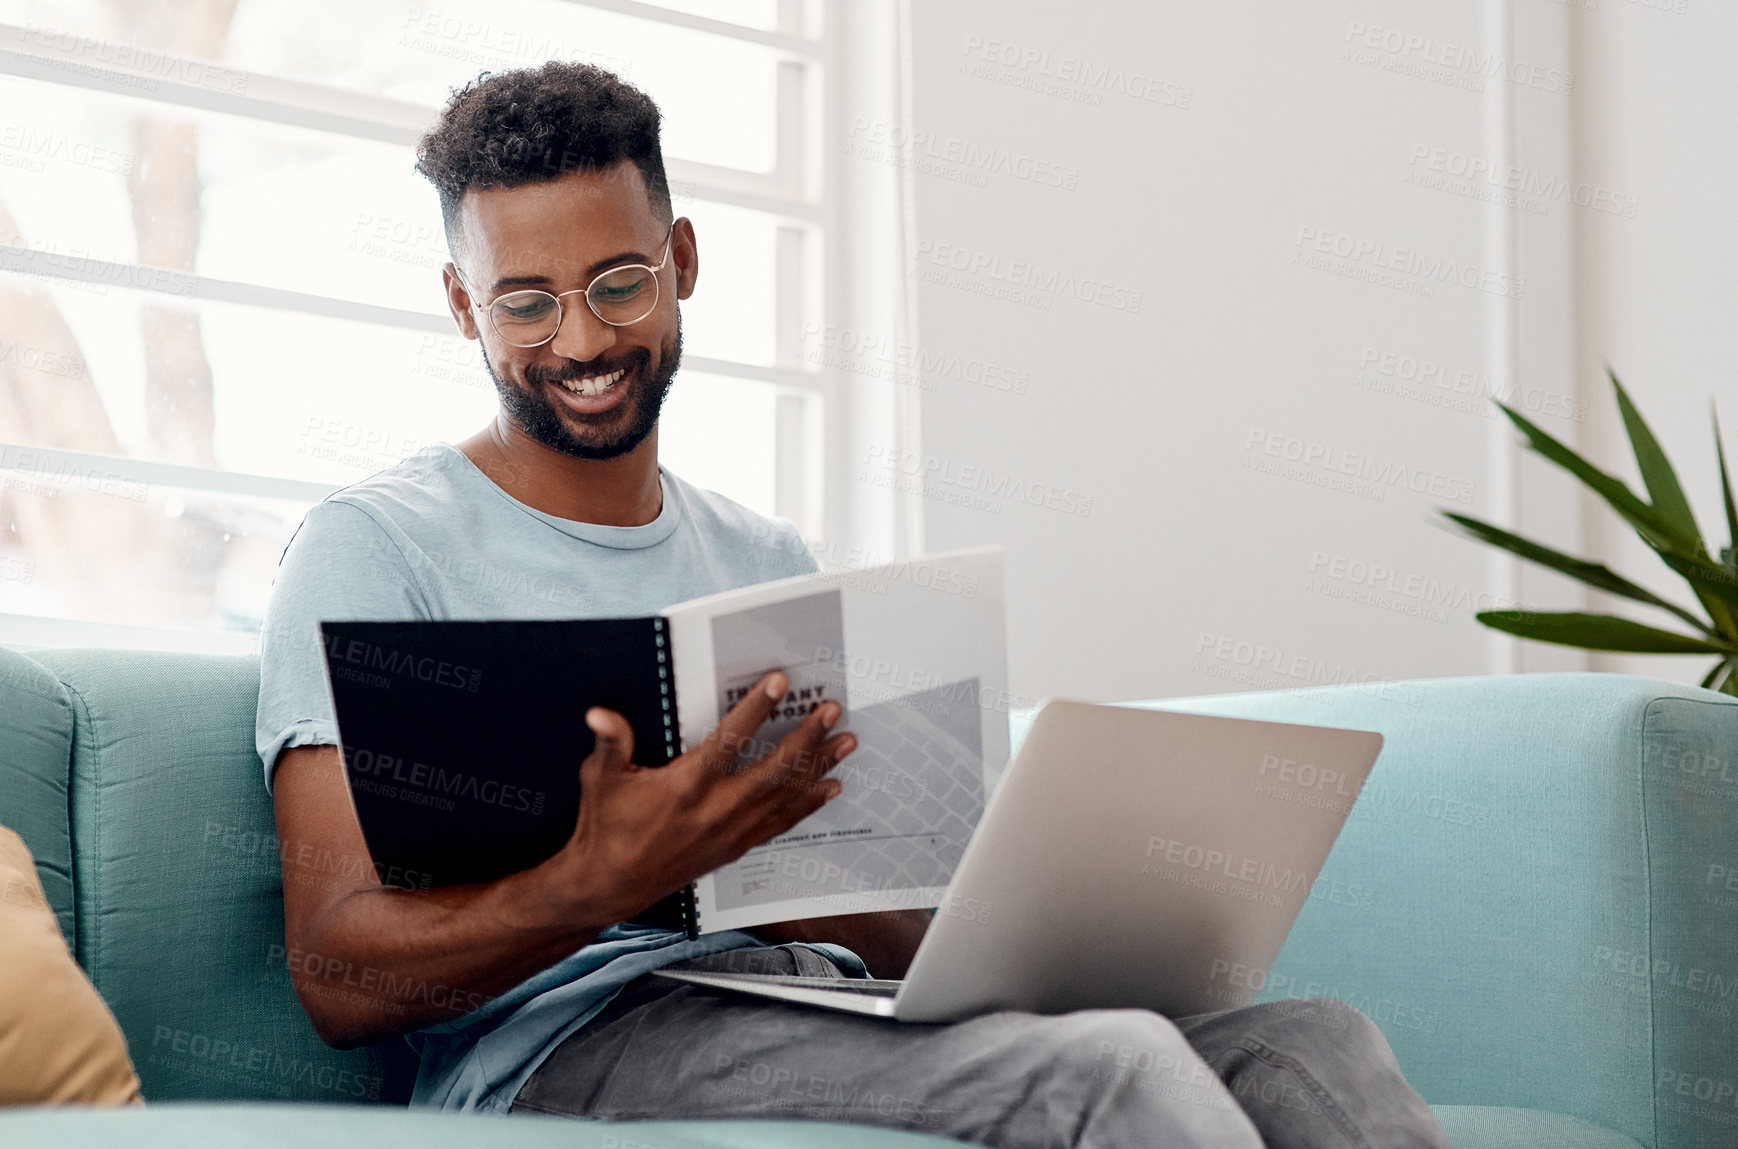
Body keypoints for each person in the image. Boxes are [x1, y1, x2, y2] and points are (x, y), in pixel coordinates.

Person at [257, 60, 1448, 1148]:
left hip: (804, 996)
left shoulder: (764, 557)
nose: (581, 339)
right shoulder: (376, 547)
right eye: (525, 303)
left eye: (618, 283)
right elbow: (338, 977)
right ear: (466, 308)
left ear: (679, 260)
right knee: (1105, 1069)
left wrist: (962, 908)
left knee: (1312, 1044)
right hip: (569, 1049)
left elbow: (889, 930)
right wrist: (604, 878)